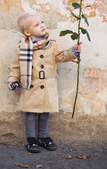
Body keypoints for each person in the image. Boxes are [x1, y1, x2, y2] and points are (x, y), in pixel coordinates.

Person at [8, 13, 82, 153]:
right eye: (36, 24)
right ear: (27, 32)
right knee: (30, 113)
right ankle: (31, 140)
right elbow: (16, 66)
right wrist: (12, 80)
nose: (42, 25)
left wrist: (73, 52)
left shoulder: (52, 44)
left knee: (44, 113)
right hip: (31, 85)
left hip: (48, 85)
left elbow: (60, 57)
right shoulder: (23, 47)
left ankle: (43, 137)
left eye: (42, 22)